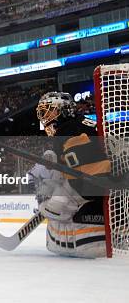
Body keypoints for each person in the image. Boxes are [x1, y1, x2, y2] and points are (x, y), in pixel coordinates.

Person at [35, 91, 110, 258]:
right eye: (42, 112)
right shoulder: (82, 124)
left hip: (99, 192)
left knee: (51, 198)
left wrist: (60, 196)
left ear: (63, 109)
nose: (44, 117)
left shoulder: (68, 129)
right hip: (112, 190)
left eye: (49, 110)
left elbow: (91, 179)